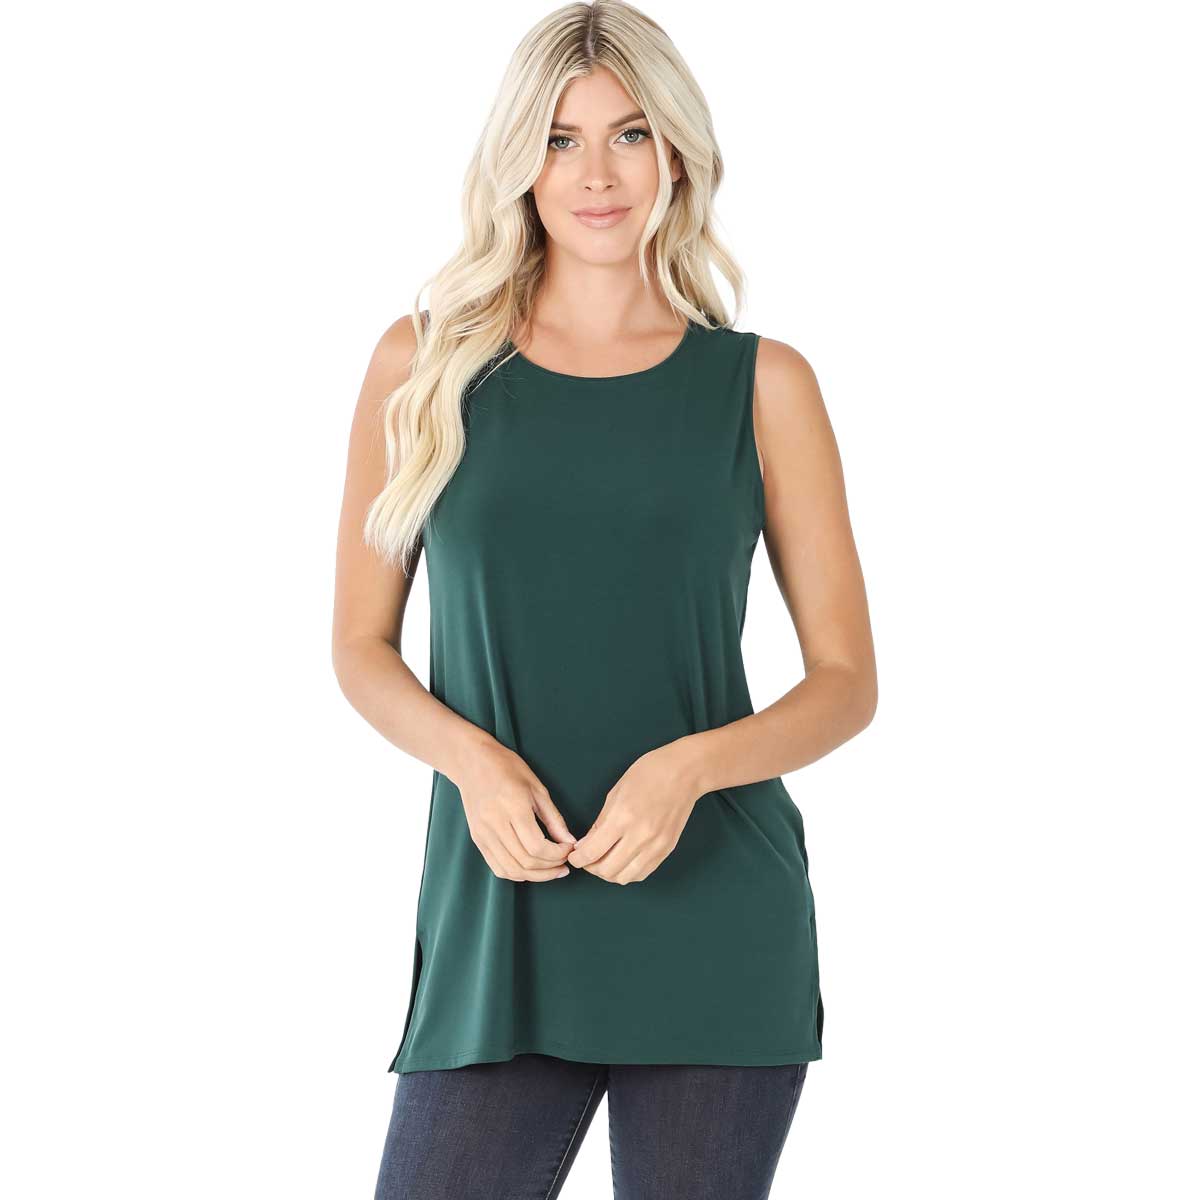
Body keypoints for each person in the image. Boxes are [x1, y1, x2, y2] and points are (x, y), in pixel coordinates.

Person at [331, 3, 877, 1196]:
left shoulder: (762, 386)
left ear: (675, 151)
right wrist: (475, 765)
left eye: (630, 134)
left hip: (716, 917)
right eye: (560, 139)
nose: (596, 174)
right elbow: (361, 649)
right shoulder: (423, 368)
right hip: (503, 920)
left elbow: (846, 684)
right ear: (517, 160)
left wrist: (687, 770)